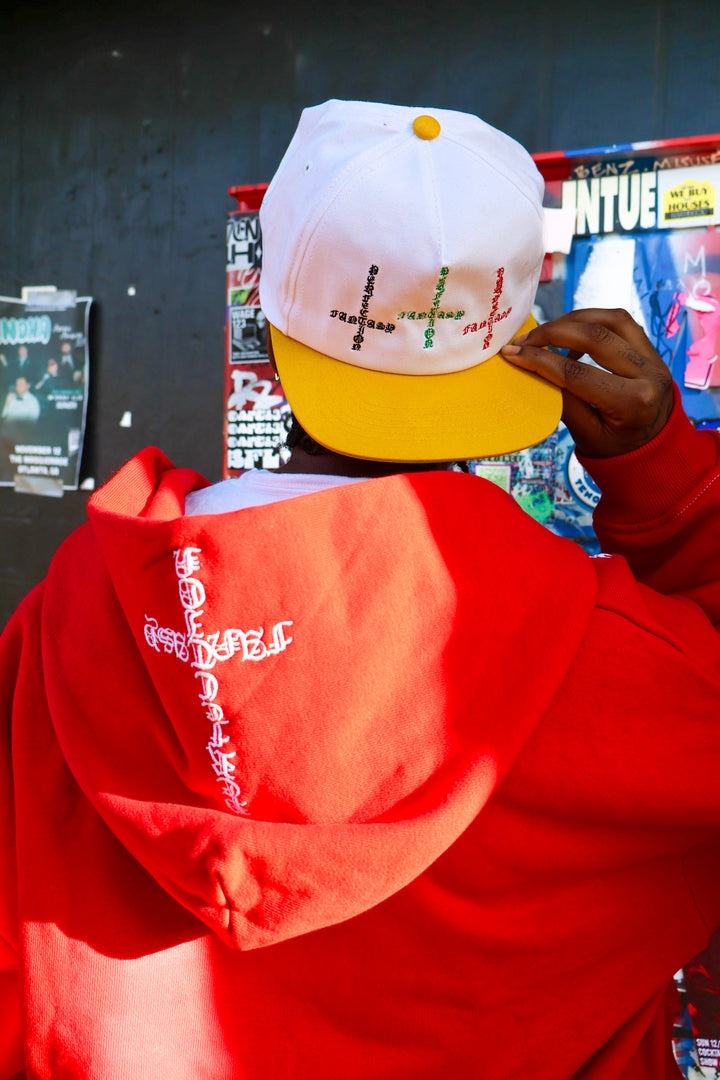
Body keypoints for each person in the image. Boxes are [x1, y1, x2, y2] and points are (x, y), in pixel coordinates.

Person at [2, 100, 720, 1080]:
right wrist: (673, 489)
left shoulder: (62, 631)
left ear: (267, 324)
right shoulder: (613, 658)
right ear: (515, 349)